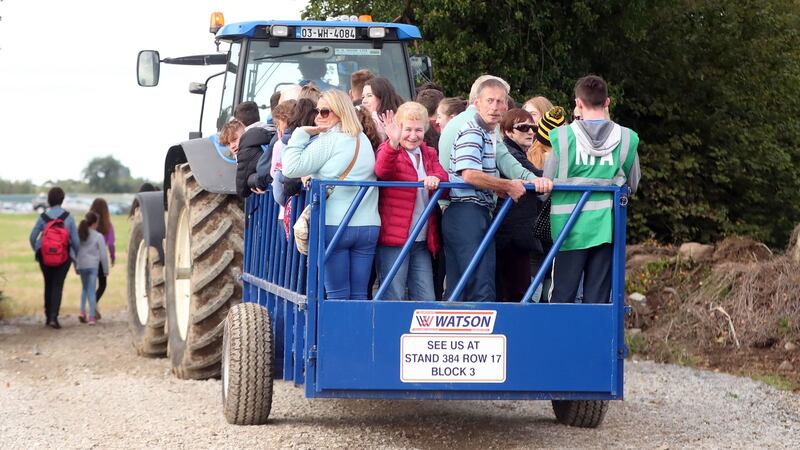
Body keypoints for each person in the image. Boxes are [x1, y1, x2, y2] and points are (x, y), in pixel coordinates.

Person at [443, 78, 552, 301]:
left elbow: (508, 165)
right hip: (467, 211)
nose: (494, 107)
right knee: (480, 286)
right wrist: (506, 186)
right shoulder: (473, 130)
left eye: (499, 102)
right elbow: (469, 174)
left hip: (475, 211)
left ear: (506, 107)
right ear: (477, 103)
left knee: (462, 288)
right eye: (489, 101)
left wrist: (530, 181)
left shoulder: (488, 133)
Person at [543, 75, 640, 304]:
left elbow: (545, 187)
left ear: (578, 103)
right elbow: (633, 184)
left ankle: (561, 341)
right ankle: (593, 341)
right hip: (606, 228)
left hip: (567, 229)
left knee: (562, 298)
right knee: (597, 300)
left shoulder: (561, 137)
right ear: (607, 102)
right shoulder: (627, 138)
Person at [282, 89, 380, 300]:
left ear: (340, 112)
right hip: (369, 225)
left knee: (337, 296)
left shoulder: (330, 140)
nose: (318, 116)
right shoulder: (363, 139)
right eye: (317, 111)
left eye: (324, 112)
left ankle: (340, 334)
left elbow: (290, 168)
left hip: (335, 225)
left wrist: (300, 134)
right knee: (359, 295)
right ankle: (357, 334)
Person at [374, 103, 449, 300]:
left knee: (427, 298)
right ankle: (389, 331)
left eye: (418, 129)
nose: (413, 135)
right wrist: (392, 142)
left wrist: (437, 180)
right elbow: (382, 170)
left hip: (422, 239)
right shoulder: (390, 149)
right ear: (398, 128)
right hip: (395, 238)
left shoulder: (428, 153)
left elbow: (443, 178)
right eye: (407, 129)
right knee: (394, 295)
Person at [494, 108, 545, 301]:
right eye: (523, 127)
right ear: (508, 131)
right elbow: (538, 178)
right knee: (515, 294)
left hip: (515, 235)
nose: (531, 132)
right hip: (510, 237)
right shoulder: (509, 152)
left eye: (533, 127)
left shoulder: (515, 151)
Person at [29, 187, 80, 329]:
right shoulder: (68, 218)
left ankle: (47, 317)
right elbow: (75, 242)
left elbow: (32, 237)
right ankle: (53, 317)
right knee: (58, 285)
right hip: (63, 256)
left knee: (48, 283)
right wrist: (76, 258)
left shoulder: (43, 217)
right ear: (62, 200)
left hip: (44, 256)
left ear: (48, 200)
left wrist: (38, 250)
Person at [75, 212, 109, 325]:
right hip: (93, 266)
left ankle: (82, 312)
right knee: (91, 290)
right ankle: (91, 317)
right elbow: (103, 255)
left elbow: (75, 249)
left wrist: (76, 264)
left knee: (84, 289)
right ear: (95, 223)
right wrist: (105, 269)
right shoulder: (98, 236)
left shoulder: (79, 234)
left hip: (82, 265)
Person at [89, 198, 115, 319]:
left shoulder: (87, 225)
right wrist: (112, 256)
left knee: (91, 284)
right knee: (103, 285)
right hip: (100, 259)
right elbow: (110, 244)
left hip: (88, 258)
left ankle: (93, 306)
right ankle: (94, 302)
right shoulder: (108, 225)